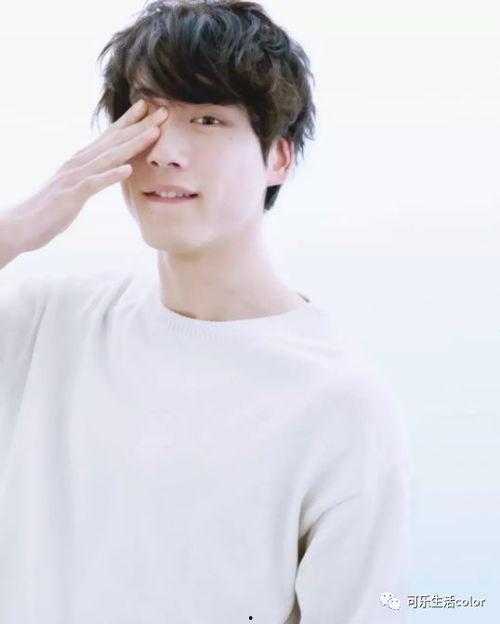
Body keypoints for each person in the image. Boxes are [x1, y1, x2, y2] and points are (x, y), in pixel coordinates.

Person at [0, 1, 413, 622]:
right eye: (147, 117)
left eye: (206, 119)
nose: (165, 151)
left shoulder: (339, 404)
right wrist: (19, 226)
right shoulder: (47, 324)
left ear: (279, 157)